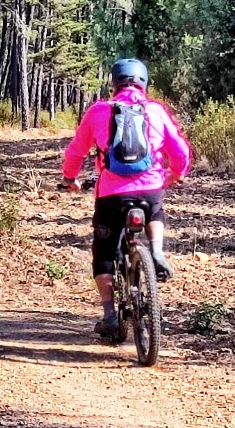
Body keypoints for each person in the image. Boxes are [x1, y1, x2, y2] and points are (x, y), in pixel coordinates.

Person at [61, 58, 192, 339]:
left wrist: (70, 179)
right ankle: (156, 251)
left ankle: (109, 315)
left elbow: (75, 151)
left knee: (104, 252)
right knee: (155, 211)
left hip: (111, 194)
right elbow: (180, 150)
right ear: (144, 83)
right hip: (150, 188)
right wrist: (177, 174)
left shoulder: (99, 111)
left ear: (114, 83)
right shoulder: (155, 110)